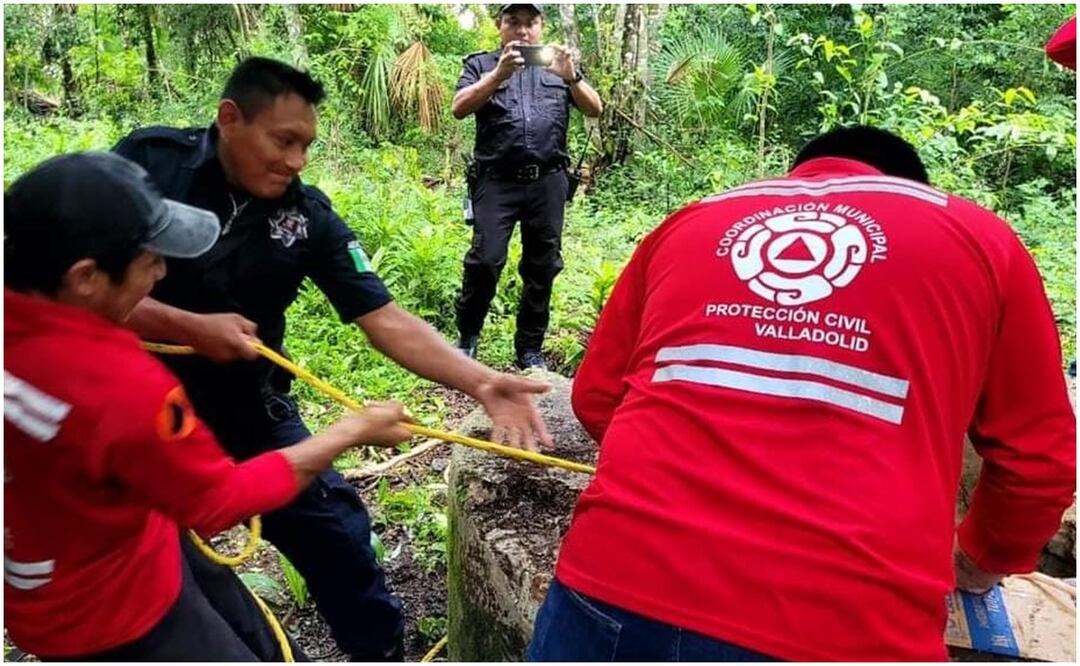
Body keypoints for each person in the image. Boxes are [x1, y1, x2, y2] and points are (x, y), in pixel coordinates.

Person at [528, 127, 1076, 661]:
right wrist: (981, 559)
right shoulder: (981, 239)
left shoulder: (690, 221)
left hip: (612, 580)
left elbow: (597, 395)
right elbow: (1037, 464)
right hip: (849, 622)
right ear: (911, 184)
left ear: (799, 174)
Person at [111, 56, 553, 661]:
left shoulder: (306, 216)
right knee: (176, 581)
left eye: (307, 146)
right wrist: (186, 326)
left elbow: (386, 319)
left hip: (248, 408)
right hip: (137, 414)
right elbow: (72, 288)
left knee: (340, 538)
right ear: (230, 119)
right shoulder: (148, 165)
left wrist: (482, 382)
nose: (296, 160)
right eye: (283, 141)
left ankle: (380, 654)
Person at [3, 152, 413, 661]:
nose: (161, 270)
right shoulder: (120, 386)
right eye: (149, 259)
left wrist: (192, 327)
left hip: (63, 578)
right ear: (86, 277)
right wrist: (351, 431)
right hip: (119, 620)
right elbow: (218, 501)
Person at [452, 3, 603, 369]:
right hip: (496, 180)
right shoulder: (482, 65)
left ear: (541, 26)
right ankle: (468, 337)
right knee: (485, 260)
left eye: (530, 23)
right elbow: (459, 107)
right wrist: (498, 75)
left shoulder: (558, 67)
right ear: (499, 26)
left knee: (543, 266)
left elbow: (595, 108)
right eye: (513, 22)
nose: (522, 30)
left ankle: (529, 349)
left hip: (548, 182)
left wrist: (572, 78)